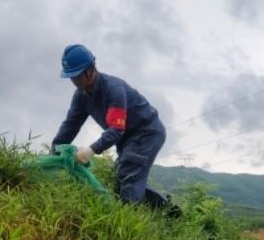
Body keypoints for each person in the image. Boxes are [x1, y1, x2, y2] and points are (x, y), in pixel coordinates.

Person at [51, 44, 177, 215]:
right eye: (70, 76)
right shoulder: (81, 95)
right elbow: (71, 124)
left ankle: (129, 224)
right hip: (127, 138)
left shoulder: (113, 89)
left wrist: (90, 150)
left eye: (75, 76)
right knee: (122, 176)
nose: (73, 81)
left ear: (89, 71)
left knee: (129, 172)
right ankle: (166, 211)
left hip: (147, 132)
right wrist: (55, 149)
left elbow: (117, 129)